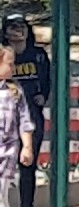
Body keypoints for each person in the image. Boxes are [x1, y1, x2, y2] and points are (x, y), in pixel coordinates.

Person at [0, 18, 46, 207]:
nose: (18, 31)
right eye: (13, 27)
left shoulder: (38, 55)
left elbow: (46, 79)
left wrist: (43, 95)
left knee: (28, 167)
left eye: (22, 26)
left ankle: (27, 203)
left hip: (29, 113)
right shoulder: (4, 52)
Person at [0, 47, 36, 207]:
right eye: (10, 64)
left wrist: (27, 146)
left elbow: (24, 120)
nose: (14, 68)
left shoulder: (14, 91)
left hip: (6, 153)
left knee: (2, 195)